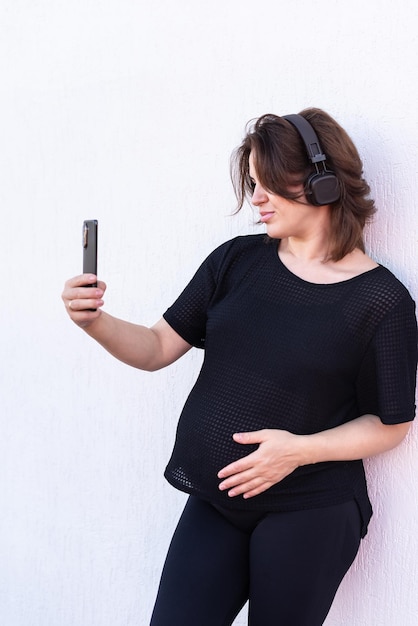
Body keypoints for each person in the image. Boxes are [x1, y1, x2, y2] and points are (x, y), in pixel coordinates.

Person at [62, 108, 417, 626]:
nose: (256, 199)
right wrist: (94, 322)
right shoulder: (236, 262)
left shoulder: (381, 301)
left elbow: (391, 424)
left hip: (310, 508)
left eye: (269, 183)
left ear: (322, 182)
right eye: (252, 183)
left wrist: (298, 451)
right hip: (218, 497)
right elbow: (157, 347)